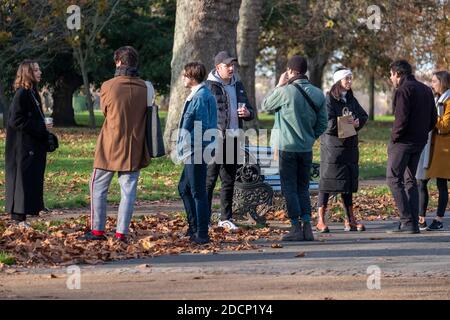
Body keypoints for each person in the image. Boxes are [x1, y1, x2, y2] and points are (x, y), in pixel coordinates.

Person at [80, 46, 151, 242]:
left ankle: (97, 230)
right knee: (128, 191)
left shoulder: (108, 85)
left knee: (97, 187)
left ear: (119, 62)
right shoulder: (145, 87)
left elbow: (105, 111)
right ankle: (121, 233)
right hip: (134, 145)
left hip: (110, 144)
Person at [262, 55, 327, 241]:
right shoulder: (317, 93)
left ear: (290, 71)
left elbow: (265, 105)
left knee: (289, 188)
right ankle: (308, 227)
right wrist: (309, 138)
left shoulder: (285, 92)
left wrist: (279, 85)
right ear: (304, 71)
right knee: (303, 187)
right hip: (305, 149)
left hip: (286, 148)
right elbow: (323, 123)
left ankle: (295, 228)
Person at [205, 51, 255, 231]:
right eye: (228, 65)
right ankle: (204, 218)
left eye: (233, 65)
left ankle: (225, 218)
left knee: (228, 180)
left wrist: (248, 113)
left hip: (234, 138)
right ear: (218, 67)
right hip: (214, 139)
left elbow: (250, 109)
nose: (232, 68)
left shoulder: (238, 85)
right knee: (209, 180)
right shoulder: (210, 86)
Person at [386, 60, 437, 234]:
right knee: (410, 180)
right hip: (419, 141)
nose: (391, 78)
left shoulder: (403, 90)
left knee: (393, 179)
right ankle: (413, 223)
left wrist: (394, 138)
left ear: (398, 74)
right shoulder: (425, 89)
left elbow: (401, 119)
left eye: (391, 74)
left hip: (403, 142)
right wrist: (421, 133)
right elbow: (433, 119)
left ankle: (407, 220)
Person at [316, 68, 368, 233]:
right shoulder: (329, 100)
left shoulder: (351, 99)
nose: (350, 82)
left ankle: (350, 220)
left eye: (351, 78)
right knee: (327, 183)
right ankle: (320, 220)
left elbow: (363, 115)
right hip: (332, 149)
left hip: (349, 148)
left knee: (347, 184)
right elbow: (327, 123)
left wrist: (358, 123)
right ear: (338, 81)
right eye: (347, 79)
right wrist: (349, 124)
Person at [5, 60, 52, 227]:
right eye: (36, 70)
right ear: (27, 73)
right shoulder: (22, 94)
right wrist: (40, 126)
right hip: (22, 147)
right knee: (22, 180)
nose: (40, 72)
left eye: (39, 69)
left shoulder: (32, 92)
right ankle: (18, 218)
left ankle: (22, 216)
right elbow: (15, 120)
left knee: (29, 179)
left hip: (30, 146)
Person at [177, 62, 217, 244]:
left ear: (192, 77)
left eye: (185, 75)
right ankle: (194, 227)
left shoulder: (201, 97)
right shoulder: (197, 95)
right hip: (194, 150)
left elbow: (202, 126)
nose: (183, 78)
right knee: (184, 188)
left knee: (197, 192)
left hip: (197, 150)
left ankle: (202, 233)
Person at [416, 70, 450, 231]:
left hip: (443, 149)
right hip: (431, 147)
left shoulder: (448, 101)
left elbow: (444, 126)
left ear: (443, 83)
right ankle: (421, 218)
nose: (432, 84)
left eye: (434, 81)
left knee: (441, 183)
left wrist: (431, 114)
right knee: (421, 180)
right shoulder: (437, 99)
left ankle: (438, 219)